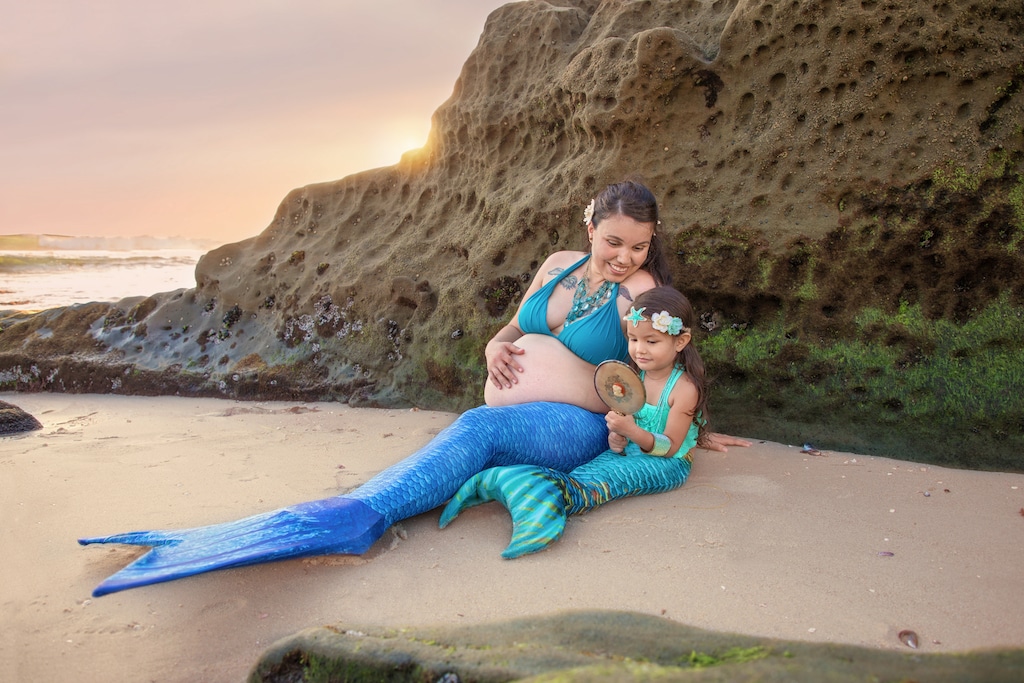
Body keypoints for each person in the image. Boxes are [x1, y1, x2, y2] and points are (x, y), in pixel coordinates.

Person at [79, 180, 747, 597]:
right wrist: (494, 346)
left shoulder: (637, 295)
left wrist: (686, 424)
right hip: (528, 415)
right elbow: (512, 327)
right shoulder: (556, 266)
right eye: (612, 240)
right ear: (588, 225)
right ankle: (359, 508)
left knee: (476, 431)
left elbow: (663, 360)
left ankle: (359, 515)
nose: (624, 256)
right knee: (477, 439)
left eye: (637, 245)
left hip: (579, 425)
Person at [440, 286, 709, 557]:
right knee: (584, 473)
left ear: (680, 341)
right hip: (633, 449)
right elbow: (626, 430)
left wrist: (632, 431)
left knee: (598, 485)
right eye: (634, 339)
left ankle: (540, 511)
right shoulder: (634, 377)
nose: (640, 350)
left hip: (668, 464)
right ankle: (511, 482)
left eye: (651, 342)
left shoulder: (683, 389)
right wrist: (618, 438)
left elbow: (672, 446)